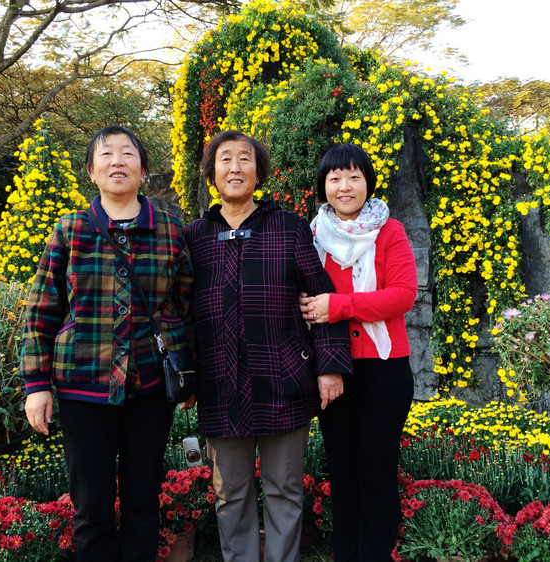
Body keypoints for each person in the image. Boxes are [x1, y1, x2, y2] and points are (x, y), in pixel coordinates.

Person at [21, 124, 193, 562]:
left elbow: (184, 308)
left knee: (142, 497)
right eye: (107, 154)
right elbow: (42, 310)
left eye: (128, 154)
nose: (118, 161)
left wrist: (189, 373)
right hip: (83, 387)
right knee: (91, 504)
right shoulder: (70, 230)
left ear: (144, 170)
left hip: (150, 390)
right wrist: (36, 384)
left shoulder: (171, 233)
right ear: (92, 171)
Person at [183, 130, 352, 562]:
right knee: (230, 493)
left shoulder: (289, 227)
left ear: (259, 172)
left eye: (245, 159)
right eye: (225, 160)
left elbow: (320, 299)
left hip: (284, 382)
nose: (235, 167)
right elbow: (179, 311)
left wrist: (328, 367)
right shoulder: (195, 236)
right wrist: (186, 378)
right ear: (211, 173)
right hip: (220, 383)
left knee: (284, 490)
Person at [299, 143, 418, 561]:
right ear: (323, 185)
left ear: (368, 182)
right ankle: (345, 553)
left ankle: (376, 552)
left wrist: (338, 306)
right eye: (335, 178)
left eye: (354, 176)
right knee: (342, 467)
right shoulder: (311, 236)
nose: (344, 186)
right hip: (333, 369)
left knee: (376, 465)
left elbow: (403, 295)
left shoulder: (390, 232)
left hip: (385, 369)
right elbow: (303, 298)